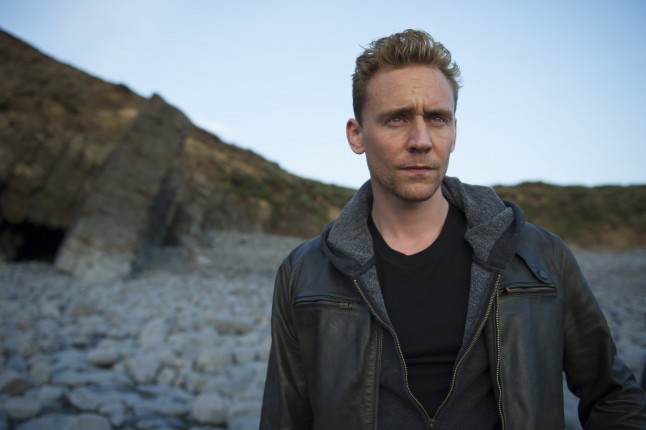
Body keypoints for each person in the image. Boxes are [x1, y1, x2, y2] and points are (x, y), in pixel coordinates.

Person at [260, 29, 646, 429]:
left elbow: (614, 396)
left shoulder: (539, 256)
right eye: (397, 119)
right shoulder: (303, 273)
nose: (421, 140)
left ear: (454, 132)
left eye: (437, 119)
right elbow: (284, 420)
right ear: (357, 135)